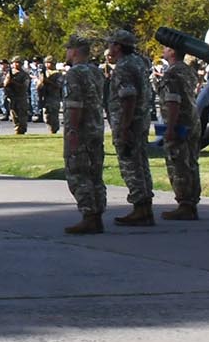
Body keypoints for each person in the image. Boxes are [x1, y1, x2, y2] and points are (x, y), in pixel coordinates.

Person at [106, 28, 155, 227]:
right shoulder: (139, 63)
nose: (108, 47)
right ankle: (145, 205)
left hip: (130, 122)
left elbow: (128, 96)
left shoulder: (124, 66)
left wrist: (125, 126)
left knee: (130, 164)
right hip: (141, 120)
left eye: (111, 44)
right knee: (141, 162)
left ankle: (139, 207)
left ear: (118, 46)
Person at [61, 35, 107, 234]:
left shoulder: (74, 74)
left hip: (81, 129)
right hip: (96, 127)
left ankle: (89, 214)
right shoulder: (96, 72)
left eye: (68, 49)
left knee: (78, 173)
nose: (66, 53)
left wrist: (72, 130)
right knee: (95, 173)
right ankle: (97, 214)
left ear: (74, 51)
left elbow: (74, 105)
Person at [158, 43, 201, 220]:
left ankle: (184, 204)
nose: (163, 50)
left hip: (179, 123)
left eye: (166, 48)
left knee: (178, 164)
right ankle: (191, 202)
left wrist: (170, 128)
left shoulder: (172, 74)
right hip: (192, 121)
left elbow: (173, 101)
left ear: (173, 52)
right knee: (191, 161)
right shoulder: (188, 71)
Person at [38, 58, 64, 135]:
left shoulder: (58, 74)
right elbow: (39, 85)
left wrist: (48, 81)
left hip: (54, 97)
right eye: (46, 63)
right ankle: (50, 129)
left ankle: (54, 130)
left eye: (49, 63)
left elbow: (59, 85)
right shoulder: (43, 73)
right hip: (45, 96)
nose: (47, 64)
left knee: (54, 115)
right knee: (46, 115)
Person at [6, 60, 32, 135]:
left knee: (22, 114)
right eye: (14, 62)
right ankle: (16, 128)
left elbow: (25, 86)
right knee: (13, 114)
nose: (16, 64)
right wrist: (8, 81)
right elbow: (5, 84)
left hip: (21, 96)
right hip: (12, 97)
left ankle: (22, 129)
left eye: (18, 62)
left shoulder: (24, 74)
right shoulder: (10, 73)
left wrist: (14, 82)